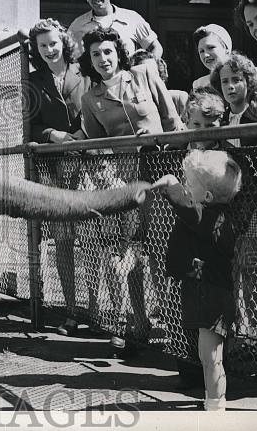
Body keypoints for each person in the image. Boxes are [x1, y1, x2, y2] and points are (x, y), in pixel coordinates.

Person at [77, 28, 183, 353]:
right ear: (90, 60)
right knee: (132, 254)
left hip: (163, 173)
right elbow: (95, 145)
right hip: (126, 183)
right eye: (96, 54)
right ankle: (139, 322)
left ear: (118, 53)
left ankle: (175, 325)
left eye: (107, 52)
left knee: (165, 254)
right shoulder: (90, 98)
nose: (103, 59)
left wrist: (166, 146)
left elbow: (172, 119)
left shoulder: (145, 72)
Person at [152, 150, 245, 411]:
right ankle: (212, 399)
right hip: (202, 292)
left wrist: (171, 184)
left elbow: (185, 207)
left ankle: (216, 406)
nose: (185, 187)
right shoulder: (208, 217)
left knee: (211, 356)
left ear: (206, 197)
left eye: (189, 184)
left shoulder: (211, 217)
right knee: (207, 356)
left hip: (213, 298)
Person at [25, 18, 86, 335]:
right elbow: (29, 126)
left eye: (53, 43)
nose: (49, 50)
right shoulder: (33, 81)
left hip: (90, 163)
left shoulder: (84, 72)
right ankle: (72, 312)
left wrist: (82, 134)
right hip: (55, 169)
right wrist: (52, 135)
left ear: (64, 42)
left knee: (95, 241)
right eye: (42, 46)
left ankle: (102, 313)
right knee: (63, 241)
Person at [211, 53, 257, 342]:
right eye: (225, 81)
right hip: (231, 205)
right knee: (230, 267)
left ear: (248, 82)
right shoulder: (222, 119)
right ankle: (233, 328)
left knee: (252, 266)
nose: (231, 86)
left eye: (236, 79)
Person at [68, 0, 163, 60]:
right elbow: (66, 57)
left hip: (128, 75)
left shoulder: (132, 18)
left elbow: (156, 48)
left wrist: (147, 70)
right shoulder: (77, 25)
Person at [191, 24, 257, 114]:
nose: (205, 55)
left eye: (211, 48)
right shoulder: (199, 84)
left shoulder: (252, 73)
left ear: (226, 48)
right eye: (201, 51)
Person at [131, 49, 188, 119]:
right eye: (145, 74)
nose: (150, 77)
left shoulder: (178, 98)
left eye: (153, 72)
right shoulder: (133, 106)